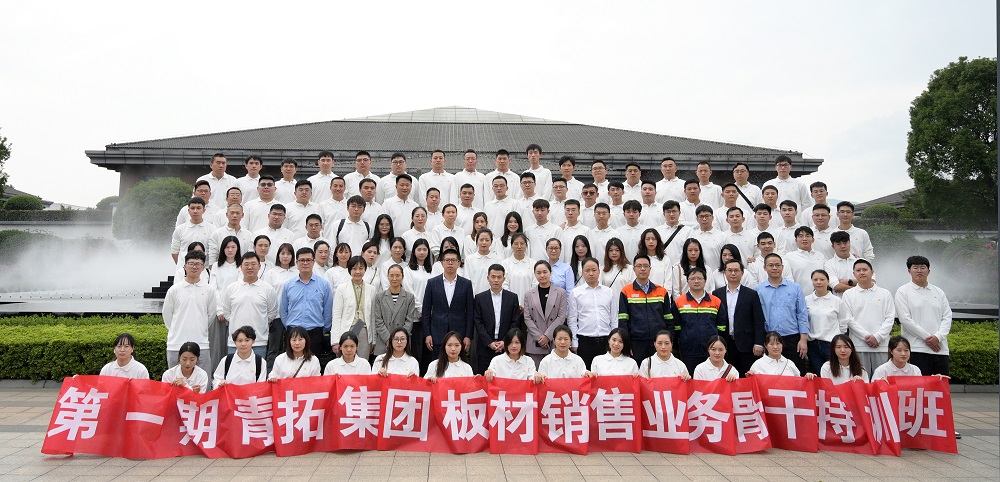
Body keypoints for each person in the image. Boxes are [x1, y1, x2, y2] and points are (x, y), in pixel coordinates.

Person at [895, 255, 953, 379]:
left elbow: (947, 316)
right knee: (918, 387)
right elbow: (905, 319)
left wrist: (938, 337)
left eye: (923, 268)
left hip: (940, 349)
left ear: (929, 271)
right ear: (909, 271)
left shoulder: (939, 292)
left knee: (940, 387)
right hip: (916, 349)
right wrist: (928, 338)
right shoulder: (903, 291)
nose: (919, 271)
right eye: (915, 268)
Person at [163, 250, 218, 378]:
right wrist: (176, 329)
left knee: (203, 382)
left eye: (198, 264)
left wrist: (200, 328)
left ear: (203, 268)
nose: (194, 267)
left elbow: (210, 315)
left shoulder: (209, 290)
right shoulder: (174, 290)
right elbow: (167, 315)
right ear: (185, 266)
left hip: (201, 343)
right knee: (175, 383)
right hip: (176, 344)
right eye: (191, 263)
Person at [756, 253, 810, 375]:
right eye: (771, 265)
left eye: (777, 265)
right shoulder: (758, 290)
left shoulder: (795, 288)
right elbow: (757, 319)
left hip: (792, 338)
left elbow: (802, 314)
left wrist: (803, 340)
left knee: (797, 374)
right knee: (772, 375)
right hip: (770, 339)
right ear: (765, 268)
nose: (774, 268)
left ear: (782, 267)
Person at [421, 249, 475, 373]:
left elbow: (470, 312)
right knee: (437, 367)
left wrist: (468, 335)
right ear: (442, 263)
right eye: (447, 260)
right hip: (437, 333)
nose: (450, 263)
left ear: (459, 263)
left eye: (453, 260)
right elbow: (426, 310)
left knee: (459, 367)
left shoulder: (466, 284)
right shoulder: (432, 283)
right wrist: (427, 334)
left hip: (459, 333)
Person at [280, 248, 334, 368]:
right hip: (293, 332)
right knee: (291, 366)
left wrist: (322, 330)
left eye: (308, 260)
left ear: (313, 262)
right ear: (296, 262)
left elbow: (328, 311)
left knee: (312, 367)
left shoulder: (324, 284)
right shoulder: (288, 285)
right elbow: (283, 310)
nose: (305, 263)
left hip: (315, 332)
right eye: (302, 260)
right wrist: (289, 328)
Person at [619, 254, 678, 362]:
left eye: (645, 266)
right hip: (636, 343)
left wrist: (669, 341)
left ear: (650, 269)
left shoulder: (661, 291)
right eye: (639, 266)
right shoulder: (626, 291)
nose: (642, 269)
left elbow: (669, 319)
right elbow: (623, 320)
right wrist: (627, 344)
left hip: (659, 343)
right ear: (634, 269)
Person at [713, 259, 767, 376]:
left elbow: (758, 320)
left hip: (746, 344)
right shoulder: (717, 294)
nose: (733, 273)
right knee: (726, 376)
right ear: (725, 273)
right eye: (730, 270)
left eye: (736, 270)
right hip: (724, 342)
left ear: (742, 273)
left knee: (745, 377)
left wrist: (758, 343)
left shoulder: (751, 294)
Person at [843, 259, 895, 376]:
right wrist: (866, 336)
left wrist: (878, 337)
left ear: (872, 272)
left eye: (865, 270)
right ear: (854, 274)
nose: (862, 272)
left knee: (882, 380)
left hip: (881, 345)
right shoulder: (848, 294)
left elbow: (890, 318)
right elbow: (849, 319)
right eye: (858, 270)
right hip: (859, 346)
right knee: (860, 380)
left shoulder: (885, 293)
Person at [221, 252, 278, 358]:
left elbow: (271, 313)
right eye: (246, 264)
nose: (250, 267)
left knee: (257, 368)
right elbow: (227, 313)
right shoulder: (231, 288)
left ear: (259, 267)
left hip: (259, 341)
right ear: (241, 267)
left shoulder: (268, 289)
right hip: (235, 342)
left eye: (253, 264)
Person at [675, 267, 727, 375]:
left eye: (699, 278)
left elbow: (722, 327)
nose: (696, 281)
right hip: (688, 350)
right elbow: (676, 327)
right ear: (687, 281)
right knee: (690, 379)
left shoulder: (716, 301)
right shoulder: (679, 302)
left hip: (711, 351)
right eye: (692, 278)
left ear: (705, 280)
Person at [568, 257, 616, 369]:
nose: (591, 273)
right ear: (582, 272)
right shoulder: (576, 293)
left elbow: (614, 319)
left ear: (599, 271)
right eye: (587, 270)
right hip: (585, 342)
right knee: (587, 374)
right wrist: (574, 343)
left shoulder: (609, 292)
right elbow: (572, 320)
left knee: (605, 373)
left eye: (594, 270)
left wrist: (614, 340)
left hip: (606, 340)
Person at [473, 264, 521, 374]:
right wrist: (489, 342)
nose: (496, 280)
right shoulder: (480, 298)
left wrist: (505, 341)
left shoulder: (512, 297)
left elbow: (515, 322)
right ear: (488, 278)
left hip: (507, 347)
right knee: (484, 378)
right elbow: (478, 322)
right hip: (485, 347)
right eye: (493, 277)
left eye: (499, 277)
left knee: (505, 378)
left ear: (504, 279)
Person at [522, 260, 568, 367]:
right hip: (535, 340)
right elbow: (527, 318)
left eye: (545, 272)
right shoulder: (529, 294)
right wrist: (540, 337)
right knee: (536, 372)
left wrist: (547, 336)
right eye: (538, 273)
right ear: (535, 274)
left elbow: (561, 317)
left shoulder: (561, 293)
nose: (542, 275)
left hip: (554, 339)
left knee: (554, 372)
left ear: (550, 273)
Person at [805, 269, 851, 374]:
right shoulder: (806, 300)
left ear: (828, 281)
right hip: (813, 345)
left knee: (834, 374)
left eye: (822, 279)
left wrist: (838, 341)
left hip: (831, 344)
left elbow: (843, 322)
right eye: (815, 280)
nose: (819, 282)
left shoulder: (837, 301)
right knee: (818, 375)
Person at [332, 256, 376, 360]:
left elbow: (373, 316)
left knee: (363, 362)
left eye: (361, 268)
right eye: (354, 268)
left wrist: (374, 339)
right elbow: (336, 315)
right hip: (347, 329)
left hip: (364, 330)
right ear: (349, 270)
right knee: (346, 362)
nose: (357, 272)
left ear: (365, 269)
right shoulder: (342, 288)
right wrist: (335, 340)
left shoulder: (371, 289)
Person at [371, 264, 419, 357]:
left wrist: (399, 339)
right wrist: (388, 339)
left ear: (402, 277)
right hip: (384, 341)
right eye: (391, 275)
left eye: (397, 275)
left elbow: (409, 321)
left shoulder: (409, 297)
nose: (394, 278)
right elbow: (378, 321)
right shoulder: (379, 297)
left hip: (402, 343)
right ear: (387, 276)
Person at [170, 197, 216, 267]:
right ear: (188, 211)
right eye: (192, 208)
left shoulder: (212, 230)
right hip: (183, 270)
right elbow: (174, 252)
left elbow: (214, 252)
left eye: (198, 208)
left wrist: (209, 269)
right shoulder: (179, 229)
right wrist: (183, 267)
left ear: (204, 210)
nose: (195, 211)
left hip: (204, 270)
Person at [747, 332, 815, 378]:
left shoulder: (789, 363)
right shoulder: (758, 364)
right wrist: (750, 377)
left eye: (778, 343)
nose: (775, 347)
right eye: (771, 344)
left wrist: (807, 377)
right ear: (765, 346)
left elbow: (799, 383)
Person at [783, 226, 827, 296]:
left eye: (807, 236)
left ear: (813, 240)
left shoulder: (820, 256)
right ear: (796, 240)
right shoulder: (789, 257)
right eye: (800, 236)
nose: (804, 239)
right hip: (798, 296)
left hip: (819, 296)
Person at [465, 228, 504, 294]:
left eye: (487, 240)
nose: (484, 242)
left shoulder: (497, 260)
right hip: (474, 296)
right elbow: (467, 280)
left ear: (491, 242)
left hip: (492, 296)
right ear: (477, 241)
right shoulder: (469, 259)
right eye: (481, 240)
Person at [501, 233, 536, 305]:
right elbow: (504, 285)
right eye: (516, 244)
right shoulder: (505, 263)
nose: (519, 247)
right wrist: (513, 302)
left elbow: (535, 285)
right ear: (511, 245)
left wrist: (527, 303)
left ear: (526, 245)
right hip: (510, 304)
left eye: (522, 243)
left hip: (530, 304)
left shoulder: (533, 263)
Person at [601, 238, 635, 310]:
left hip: (625, 306)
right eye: (611, 250)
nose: (614, 253)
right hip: (608, 307)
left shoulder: (629, 269)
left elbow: (633, 289)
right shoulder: (602, 269)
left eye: (617, 250)